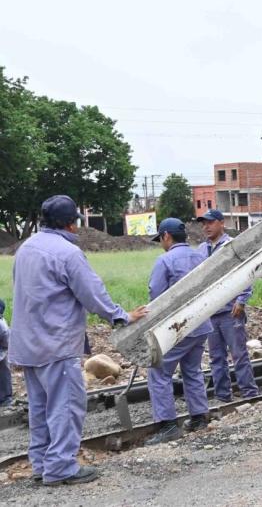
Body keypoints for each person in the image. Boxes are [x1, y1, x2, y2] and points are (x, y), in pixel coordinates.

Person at [9, 195, 148, 486]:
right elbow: (91, 292)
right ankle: (60, 468)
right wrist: (121, 316)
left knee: (40, 408)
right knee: (65, 406)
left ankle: (41, 463)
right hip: (55, 344)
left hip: (27, 344)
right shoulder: (67, 253)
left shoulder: (26, 248)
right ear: (71, 224)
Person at [145, 218, 214, 444]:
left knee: (159, 372)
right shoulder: (200, 256)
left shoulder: (165, 261)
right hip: (201, 324)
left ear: (166, 236)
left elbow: (156, 296)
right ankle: (199, 417)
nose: (161, 243)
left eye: (161, 239)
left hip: (177, 328)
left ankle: (167, 425)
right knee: (192, 370)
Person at [196, 210, 259, 402]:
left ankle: (249, 393)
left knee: (238, 354)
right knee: (216, 357)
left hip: (231, 310)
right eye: (204, 223)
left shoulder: (231, 246)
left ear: (221, 223)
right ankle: (223, 395)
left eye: (210, 222)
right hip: (211, 311)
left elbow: (246, 272)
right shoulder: (201, 249)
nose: (206, 227)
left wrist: (242, 300)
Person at [0, 299, 12, 407]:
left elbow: (6, 342)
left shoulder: (2, 325)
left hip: (1, 353)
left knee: (3, 374)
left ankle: (5, 399)